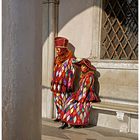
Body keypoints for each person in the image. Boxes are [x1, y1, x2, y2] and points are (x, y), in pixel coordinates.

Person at [60, 58, 100, 129]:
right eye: (81, 66)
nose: (82, 68)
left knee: (76, 106)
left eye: (84, 66)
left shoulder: (89, 76)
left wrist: (80, 99)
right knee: (67, 103)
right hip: (80, 95)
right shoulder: (84, 76)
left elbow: (85, 89)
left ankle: (76, 122)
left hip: (86, 96)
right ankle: (65, 122)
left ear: (88, 67)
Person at [51, 37, 76, 124]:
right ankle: (59, 115)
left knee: (64, 100)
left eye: (58, 49)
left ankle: (65, 118)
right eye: (56, 50)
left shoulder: (70, 59)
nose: (57, 51)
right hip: (56, 84)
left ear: (63, 49)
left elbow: (72, 72)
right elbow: (54, 70)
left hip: (64, 84)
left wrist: (70, 83)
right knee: (57, 100)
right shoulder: (57, 59)